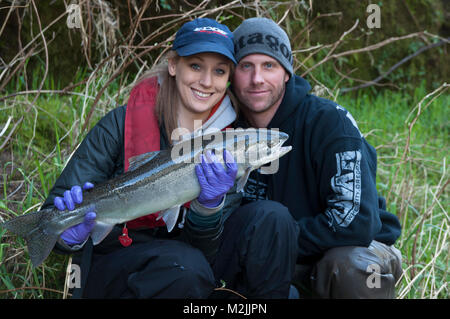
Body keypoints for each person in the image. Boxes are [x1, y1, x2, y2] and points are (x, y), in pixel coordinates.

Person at [42, 18, 299, 299]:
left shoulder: (232, 142)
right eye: (196, 66)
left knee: (272, 218)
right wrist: (66, 236)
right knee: (184, 268)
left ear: (228, 79)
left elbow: (207, 250)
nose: (206, 81)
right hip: (121, 263)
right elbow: (52, 215)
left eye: (219, 71)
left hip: (193, 264)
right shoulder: (119, 124)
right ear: (174, 65)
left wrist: (208, 208)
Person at [230, 17, 403, 299]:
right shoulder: (225, 128)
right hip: (265, 260)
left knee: (350, 266)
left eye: (269, 66)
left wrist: (273, 243)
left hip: (344, 249)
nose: (257, 79)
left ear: (287, 72)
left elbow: (356, 222)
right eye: (245, 66)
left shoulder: (330, 122)